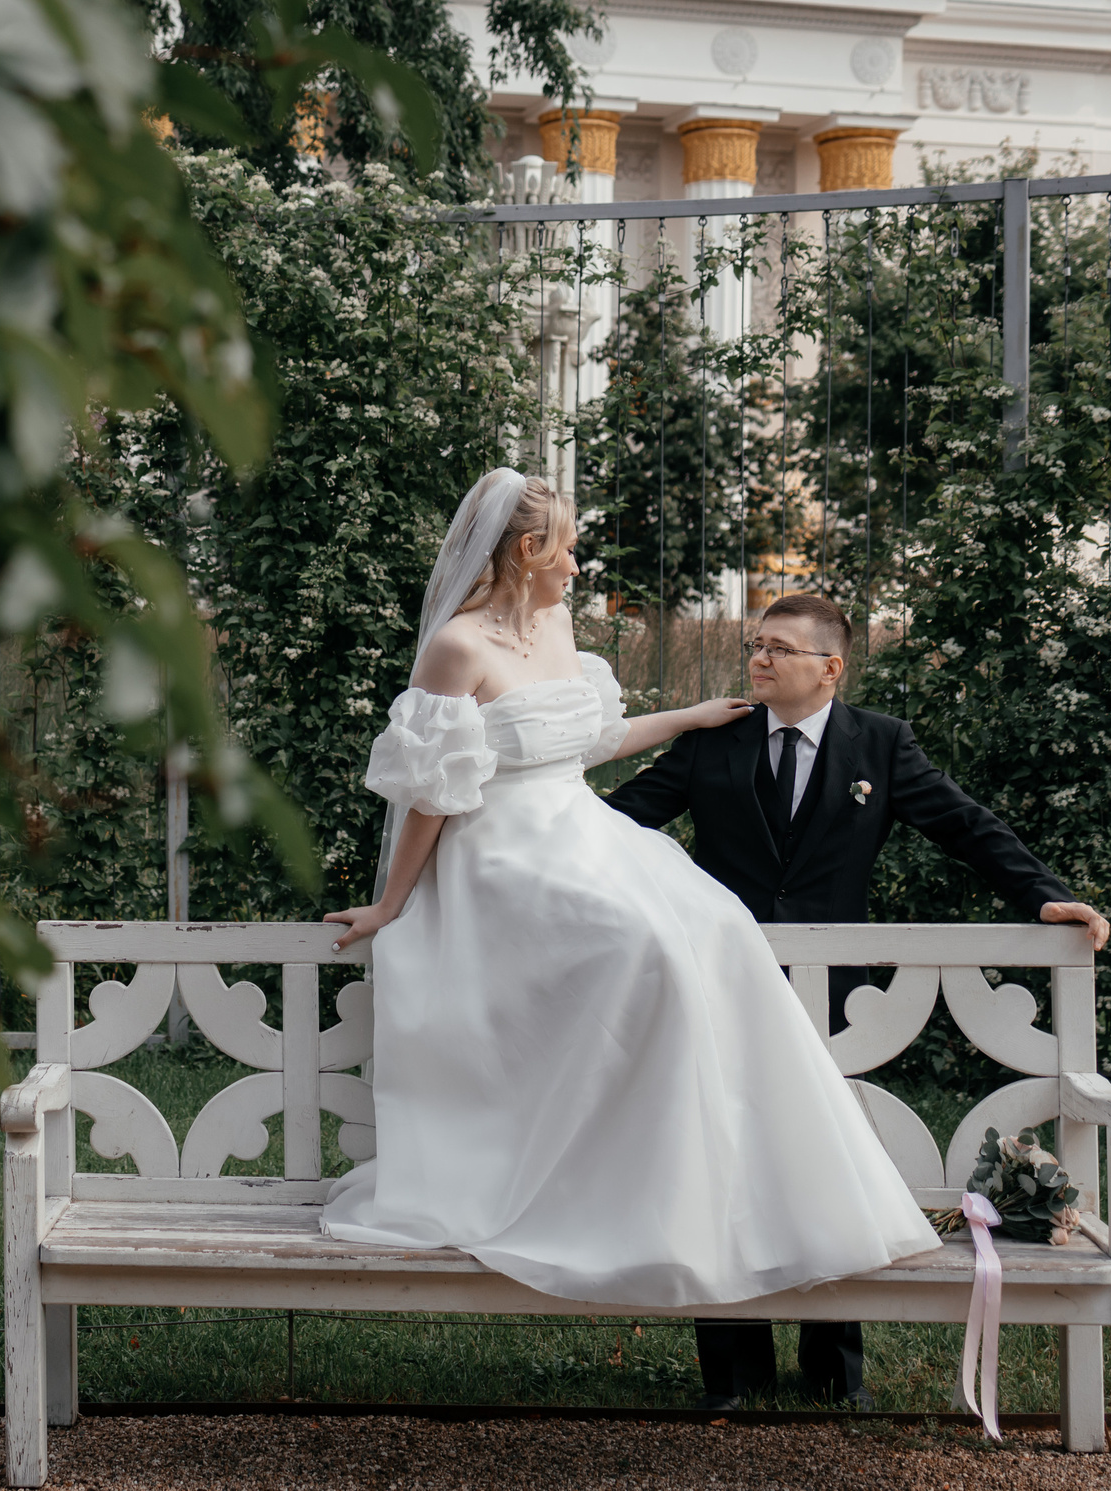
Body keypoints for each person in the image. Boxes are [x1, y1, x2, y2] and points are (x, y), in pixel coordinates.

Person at [319, 468, 940, 1319]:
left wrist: (688, 717)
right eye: (567, 548)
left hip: (579, 828)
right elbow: (432, 791)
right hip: (502, 852)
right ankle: (622, 1186)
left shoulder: (556, 624)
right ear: (528, 549)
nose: (577, 565)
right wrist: (393, 903)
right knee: (641, 946)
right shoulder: (458, 647)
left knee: (717, 924)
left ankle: (741, 1188)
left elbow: (591, 740)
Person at [606, 589, 1110, 1410]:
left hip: (835, 1003)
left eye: (778, 647)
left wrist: (1043, 896)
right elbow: (620, 825)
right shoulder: (714, 742)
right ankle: (734, 1377)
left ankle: (836, 1375)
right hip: (721, 992)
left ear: (830, 667)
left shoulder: (880, 743)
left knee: (823, 1164)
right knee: (718, 1164)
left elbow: (965, 825)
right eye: (755, 644)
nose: (758, 659)